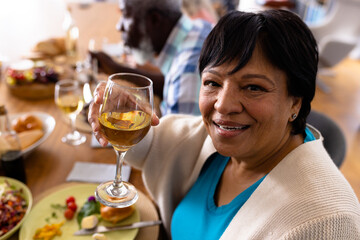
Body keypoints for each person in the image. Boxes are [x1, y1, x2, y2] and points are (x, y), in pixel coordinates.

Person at [89, 10, 360, 239]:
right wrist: (123, 110)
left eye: (253, 87)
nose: (223, 105)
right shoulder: (217, 144)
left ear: (295, 102)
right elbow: (153, 144)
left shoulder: (328, 223)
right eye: (212, 83)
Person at [90, 0, 213, 117]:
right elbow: (169, 84)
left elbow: (179, 139)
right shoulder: (197, 27)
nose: (119, 26)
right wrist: (116, 68)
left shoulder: (187, 69)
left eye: (126, 15)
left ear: (154, 20)